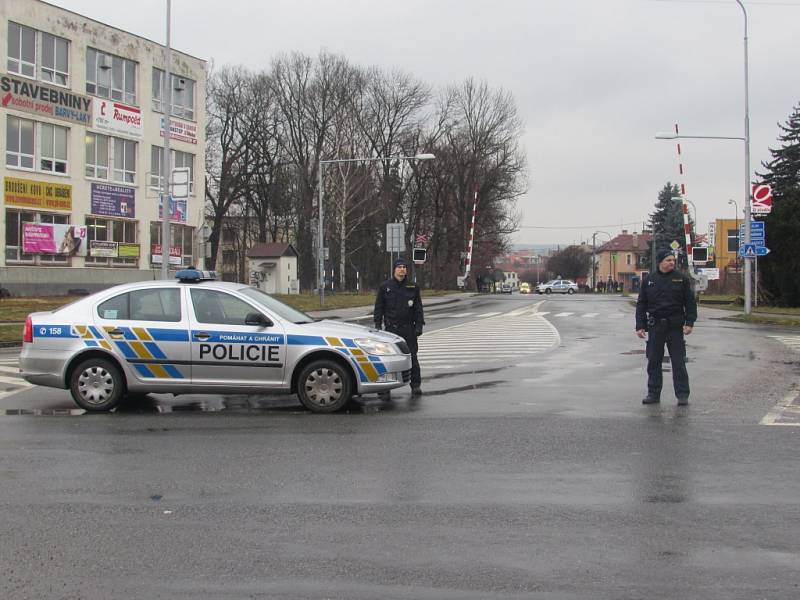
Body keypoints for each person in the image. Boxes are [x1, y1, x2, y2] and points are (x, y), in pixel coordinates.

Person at [635, 249, 697, 406]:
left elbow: (690, 303)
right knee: (654, 362)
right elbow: (641, 304)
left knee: (678, 362)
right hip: (656, 327)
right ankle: (653, 393)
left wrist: (689, 322)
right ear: (660, 262)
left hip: (675, 327)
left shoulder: (681, 279)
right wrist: (640, 325)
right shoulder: (649, 280)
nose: (672, 263)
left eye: (673, 260)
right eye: (668, 260)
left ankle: (682, 394)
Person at [374, 257, 425, 395]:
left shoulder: (413, 287)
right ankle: (384, 388)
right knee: (387, 359)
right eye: (399, 267)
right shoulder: (386, 287)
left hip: (408, 329)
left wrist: (419, 325)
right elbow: (379, 308)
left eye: (404, 267)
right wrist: (377, 325)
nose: (402, 269)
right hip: (391, 330)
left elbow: (418, 308)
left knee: (412, 357)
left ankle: (415, 385)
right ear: (394, 269)